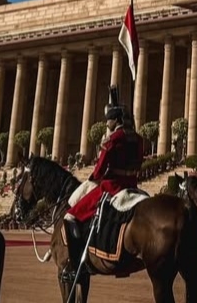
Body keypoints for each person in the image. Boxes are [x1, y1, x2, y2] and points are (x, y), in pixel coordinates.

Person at [63, 86, 144, 283]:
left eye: (108, 118)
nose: (106, 122)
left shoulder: (113, 139)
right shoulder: (138, 138)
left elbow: (100, 170)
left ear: (115, 120)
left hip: (112, 187)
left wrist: (91, 179)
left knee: (71, 216)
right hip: (133, 185)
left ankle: (75, 266)